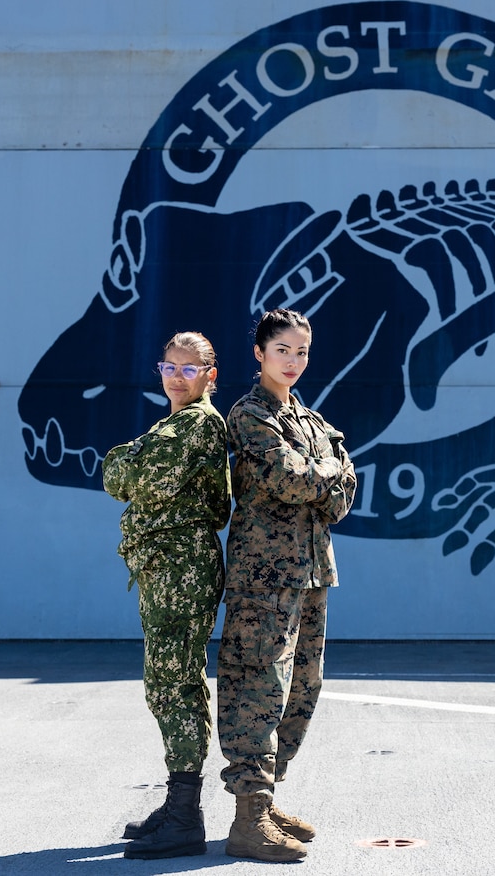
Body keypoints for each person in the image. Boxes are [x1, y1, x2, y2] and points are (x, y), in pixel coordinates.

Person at [217, 308, 356, 862]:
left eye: (301, 351)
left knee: (302, 687)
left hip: (312, 571)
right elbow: (289, 478)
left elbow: (345, 495)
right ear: (259, 354)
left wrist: (321, 475)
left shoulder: (311, 420)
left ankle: (267, 799)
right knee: (258, 686)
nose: (293, 360)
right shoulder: (250, 414)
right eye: (282, 350)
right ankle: (247, 817)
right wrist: (326, 473)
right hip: (264, 576)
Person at [102, 331, 231, 860]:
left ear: (209, 375)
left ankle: (184, 819)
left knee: (173, 684)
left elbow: (126, 474)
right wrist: (134, 457)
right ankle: (179, 805)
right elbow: (133, 472)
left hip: (181, 568)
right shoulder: (174, 425)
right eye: (169, 367)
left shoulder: (196, 424)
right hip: (169, 566)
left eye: (189, 369)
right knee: (171, 681)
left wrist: (126, 456)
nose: (177, 377)